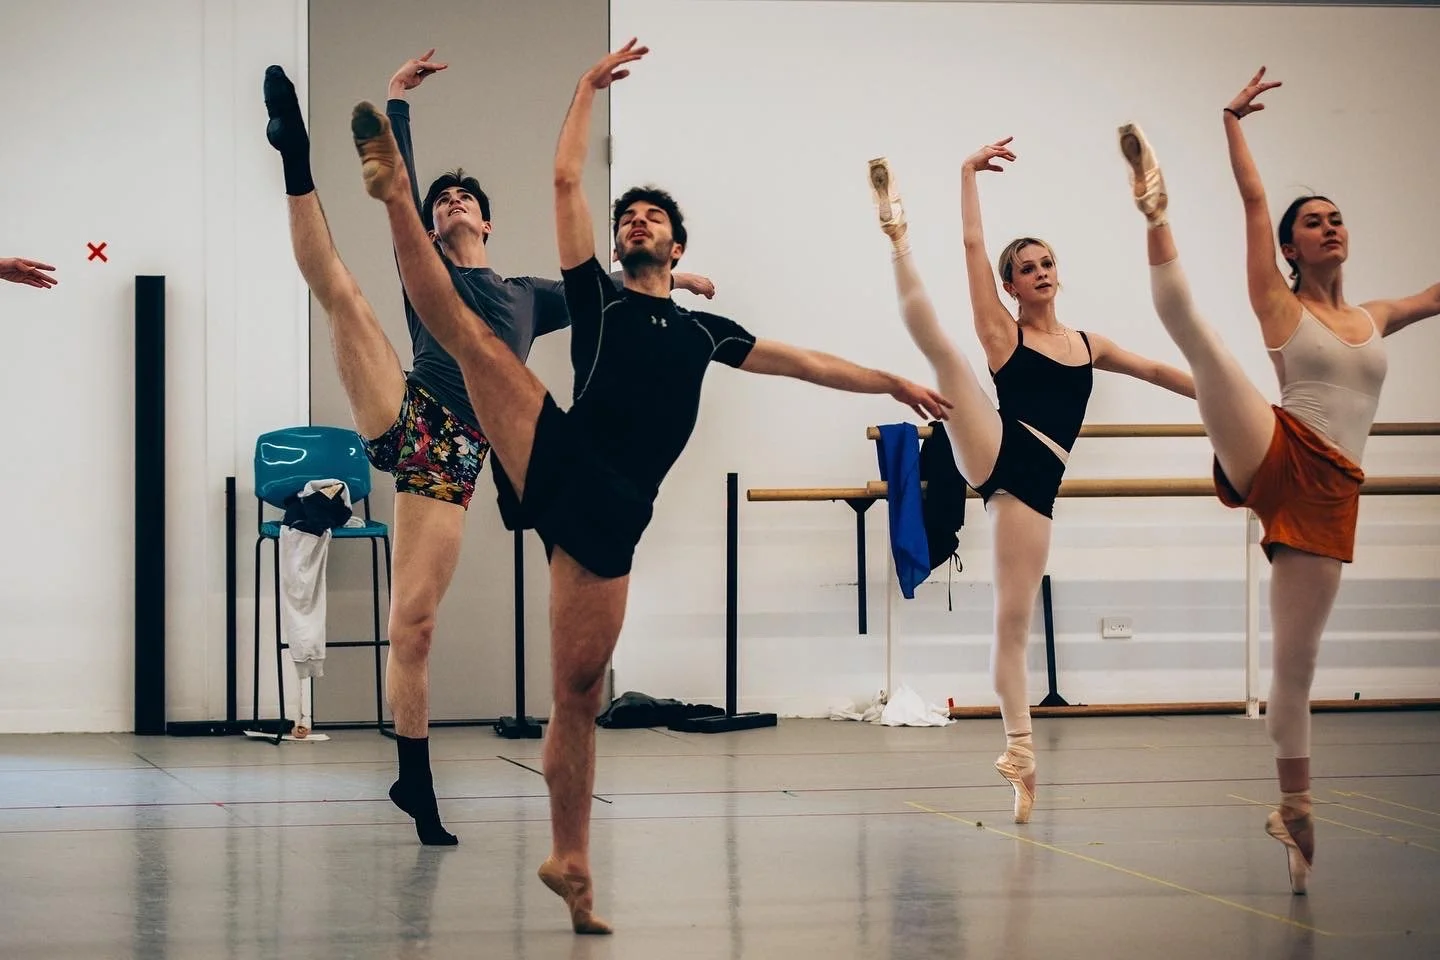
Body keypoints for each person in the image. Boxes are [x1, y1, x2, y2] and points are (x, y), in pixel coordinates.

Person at [348, 37, 951, 933]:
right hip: (556, 452)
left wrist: (893, 381)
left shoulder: (708, 332)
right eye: (625, 214)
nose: (633, 222)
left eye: (648, 219)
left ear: (676, 244)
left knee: (579, 694)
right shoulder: (595, 299)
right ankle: (394, 189)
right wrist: (586, 86)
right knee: (475, 346)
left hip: (612, 516)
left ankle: (572, 862)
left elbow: (806, 362)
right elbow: (562, 185)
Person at [261, 52, 714, 848]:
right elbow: (396, 189)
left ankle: (414, 778)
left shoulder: (529, 297)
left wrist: (680, 279)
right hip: (409, 406)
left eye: (464, 196)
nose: (453, 201)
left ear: (489, 222)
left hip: (457, 453)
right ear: (431, 224)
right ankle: (295, 160)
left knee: (415, 625)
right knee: (342, 290)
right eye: (441, 200)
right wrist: (397, 102)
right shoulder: (426, 261)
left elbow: (613, 287)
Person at [1117, 67, 1438, 894]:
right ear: (1291, 248)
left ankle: (1294, 811)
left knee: (1294, 670)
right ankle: (1155, 210)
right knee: (1202, 338)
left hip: (1330, 493)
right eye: (1313, 224)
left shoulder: (1378, 315)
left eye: (1335, 220)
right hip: (1275, 444)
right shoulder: (1277, 300)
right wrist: (1230, 120)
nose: (1327, 229)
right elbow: (1257, 204)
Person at [867, 142, 1195, 825]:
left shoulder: (1087, 344)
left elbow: (1162, 373)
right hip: (997, 453)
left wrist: (1223, 396)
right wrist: (964, 175)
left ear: (1056, 275)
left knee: (1011, 626)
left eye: (1046, 264)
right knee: (943, 352)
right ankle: (896, 236)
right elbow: (970, 244)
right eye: (1025, 268)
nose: (1039, 273)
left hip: (1034, 491)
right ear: (1009, 285)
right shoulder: (1000, 332)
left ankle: (1019, 755)